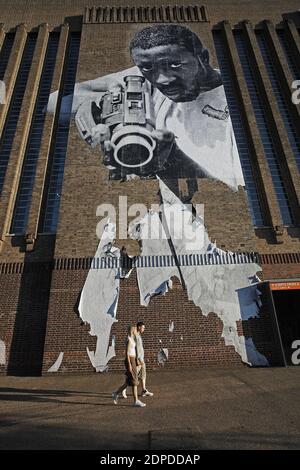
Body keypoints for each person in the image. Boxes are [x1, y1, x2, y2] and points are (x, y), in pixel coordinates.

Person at [48, 24, 244, 191]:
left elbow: (230, 196)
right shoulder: (148, 79)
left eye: (175, 65)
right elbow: (53, 102)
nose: (162, 79)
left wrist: (169, 162)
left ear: (203, 58)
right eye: (147, 68)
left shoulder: (236, 102)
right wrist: (98, 106)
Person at [112, 324, 146, 407]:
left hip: (133, 359)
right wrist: (130, 364)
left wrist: (136, 360)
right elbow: (127, 353)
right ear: (131, 330)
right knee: (134, 381)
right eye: (134, 329)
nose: (135, 331)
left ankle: (116, 393)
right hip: (130, 360)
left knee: (128, 382)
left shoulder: (132, 339)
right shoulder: (128, 339)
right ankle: (136, 401)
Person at [122, 321, 153, 399]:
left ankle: (144, 390)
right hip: (138, 359)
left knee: (143, 374)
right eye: (143, 327)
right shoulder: (135, 336)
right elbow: (135, 348)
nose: (144, 329)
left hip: (141, 358)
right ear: (139, 327)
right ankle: (123, 389)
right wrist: (138, 359)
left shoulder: (138, 335)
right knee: (133, 376)